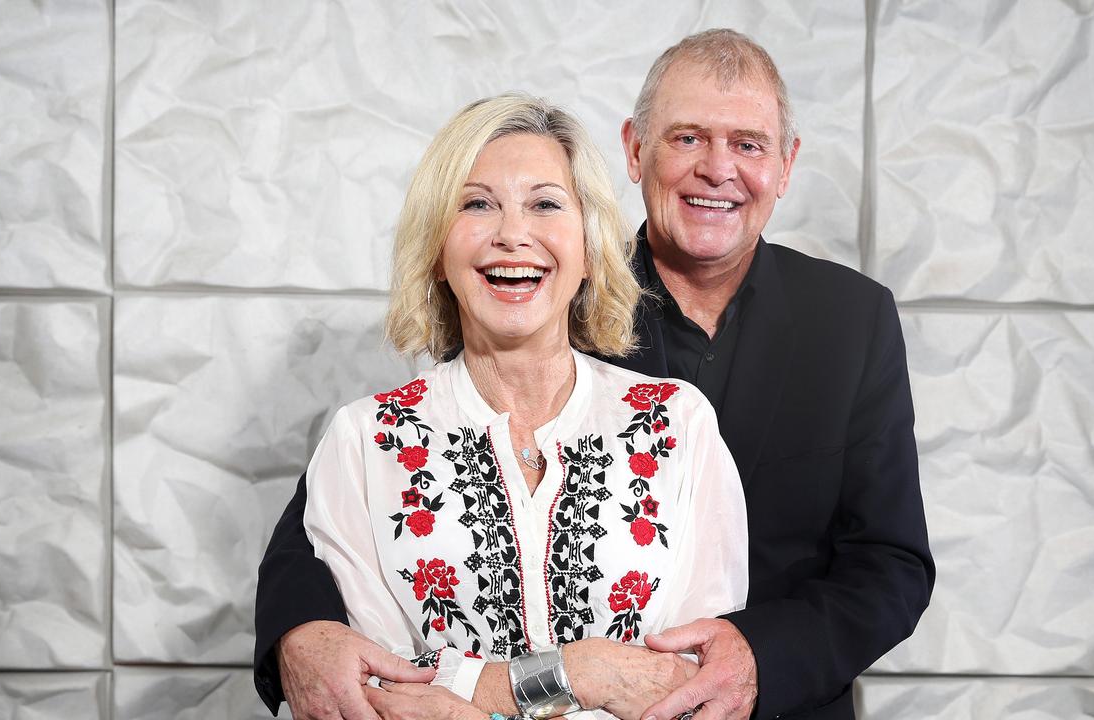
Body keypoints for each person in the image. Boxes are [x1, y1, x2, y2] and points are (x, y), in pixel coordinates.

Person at [256, 29, 935, 720]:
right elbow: (349, 501)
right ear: (636, 151)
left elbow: (891, 562)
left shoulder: (852, 319)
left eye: (749, 145)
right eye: (687, 138)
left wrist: (759, 656)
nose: (717, 169)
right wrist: (297, 632)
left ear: (786, 165)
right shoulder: (545, 292)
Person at [274, 92, 753, 720]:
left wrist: (466, 691)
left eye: (546, 205)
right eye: (477, 204)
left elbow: (685, 681)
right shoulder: (364, 441)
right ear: (438, 251)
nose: (512, 234)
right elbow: (380, 692)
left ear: (589, 246)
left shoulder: (676, 423)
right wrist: (580, 674)